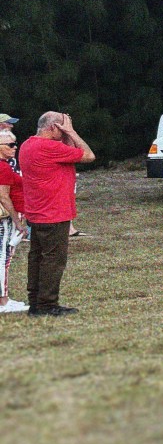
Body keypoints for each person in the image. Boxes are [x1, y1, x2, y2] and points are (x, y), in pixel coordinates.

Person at [18, 112, 93, 317]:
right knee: (53, 260)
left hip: (37, 212)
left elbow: (68, 152)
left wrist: (65, 133)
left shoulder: (27, 145)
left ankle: (35, 302)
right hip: (54, 213)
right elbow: (88, 155)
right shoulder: (49, 147)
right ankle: (47, 305)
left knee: (37, 259)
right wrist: (72, 132)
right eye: (62, 126)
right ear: (53, 128)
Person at [0, 125, 26, 313]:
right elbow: (3, 195)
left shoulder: (6, 165)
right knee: (4, 258)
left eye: (15, 143)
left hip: (7, 218)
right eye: (10, 144)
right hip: (5, 220)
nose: (15, 147)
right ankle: (3, 301)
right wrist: (16, 219)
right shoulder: (2, 167)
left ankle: (4, 298)